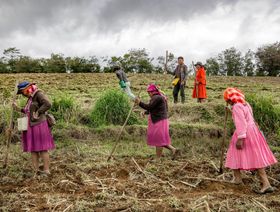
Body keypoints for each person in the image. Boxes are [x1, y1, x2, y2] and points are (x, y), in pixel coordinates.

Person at [223, 87, 277, 194]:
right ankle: (265, 183)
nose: (227, 102)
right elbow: (248, 117)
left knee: (234, 154)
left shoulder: (237, 107)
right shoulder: (245, 104)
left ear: (231, 99)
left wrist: (240, 138)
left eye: (227, 100)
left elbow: (241, 123)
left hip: (244, 133)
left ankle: (238, 179)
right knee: (256, 157)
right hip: (253, 132)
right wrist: (231, 111)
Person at [13, 81, 55, 176]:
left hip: (39, 125)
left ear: (28, 89)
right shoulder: (30, 98)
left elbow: (48, 104)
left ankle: (46, 171)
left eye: (23, 91)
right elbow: (28, 111)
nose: (23, 94)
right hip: (31, 125)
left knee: (42, 148)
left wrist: (39, 112)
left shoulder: (38, 94)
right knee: (33, 149)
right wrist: (18, 109)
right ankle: (35, 171)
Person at [135, 84, 179, 158]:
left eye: (149, 93)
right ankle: (173, 149)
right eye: (148, 93)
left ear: (153, 92)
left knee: (159, 140)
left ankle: (158, 159)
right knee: (160, 139)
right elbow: (153, 109)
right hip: (159, 120)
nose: (149, 94)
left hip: (159, 121)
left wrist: (139, 103)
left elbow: (149, 107)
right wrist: (145, 112)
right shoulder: (159, 97)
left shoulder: (156, 97)